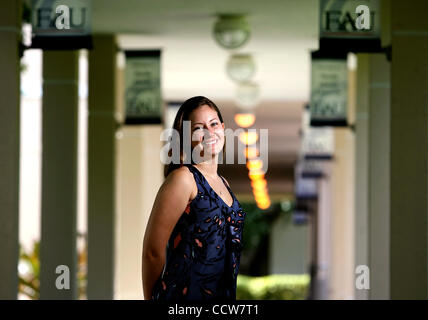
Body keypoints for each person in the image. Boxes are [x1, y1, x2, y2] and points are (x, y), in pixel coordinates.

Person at [142, 96, 247, 301]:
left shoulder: (224, 184)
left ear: (223, 128)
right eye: (199, 128)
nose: (209, 132)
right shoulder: (184, 179)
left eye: (214, 124)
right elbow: (152, 252)